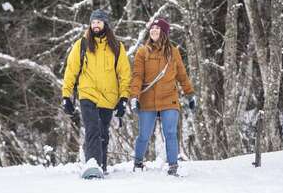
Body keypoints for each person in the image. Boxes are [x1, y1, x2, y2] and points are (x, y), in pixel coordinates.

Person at [61, 9, 131, 174]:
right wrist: (66, 95)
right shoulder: (82, 44)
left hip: (108, 96)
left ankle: (102, 166)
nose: (95, 25)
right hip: (87, 93)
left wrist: (123, 99)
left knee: (103, 132)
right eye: (93, 22)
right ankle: (92, 165)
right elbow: (71, 70)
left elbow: (124, 74)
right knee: (92, 128)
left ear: (105, 24)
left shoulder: (117, 47)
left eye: (99, 22)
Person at [130, 18, 196, 176]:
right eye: (152, 28)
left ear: (164, 32)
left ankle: (173, 166)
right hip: (147, 99)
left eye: (157, 28)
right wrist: (134, 96)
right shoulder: (142, 52)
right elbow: (137, 76)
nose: (153, 31)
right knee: (144, 135)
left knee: (170, 133)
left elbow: (181, 74)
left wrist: (190, 94)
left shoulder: (173, 51)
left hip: (169, 98)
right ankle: (138, 163)